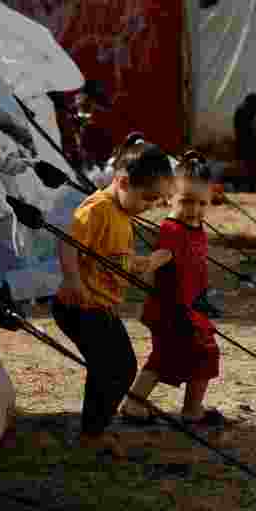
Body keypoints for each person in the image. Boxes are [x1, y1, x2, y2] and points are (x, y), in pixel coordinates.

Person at [52, 140, 174, 454]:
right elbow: (67, 242)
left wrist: (149, 263)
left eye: (157, 200)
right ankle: (91, 434)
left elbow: (115, 258)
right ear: (122, 182)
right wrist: (73, 280)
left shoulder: (121, 212)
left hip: (101, 306)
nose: (150, 206)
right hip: (79, 306)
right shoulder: (98, 209)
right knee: (112, 368)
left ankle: (95, 429)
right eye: (148, 198)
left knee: (121, 367)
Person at [119, 151, 225, 430]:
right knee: (190, 355)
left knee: (176, 357)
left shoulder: (197, 227)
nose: (194, 209)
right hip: (171, 309)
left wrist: (203, 294)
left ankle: (183, 407)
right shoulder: (172, 229)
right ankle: (174, 409)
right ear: (170, 198)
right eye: (186, 201)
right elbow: (164, 254)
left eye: (202, 203)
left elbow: (194, 264)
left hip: (189, 306)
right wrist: (147, 263)